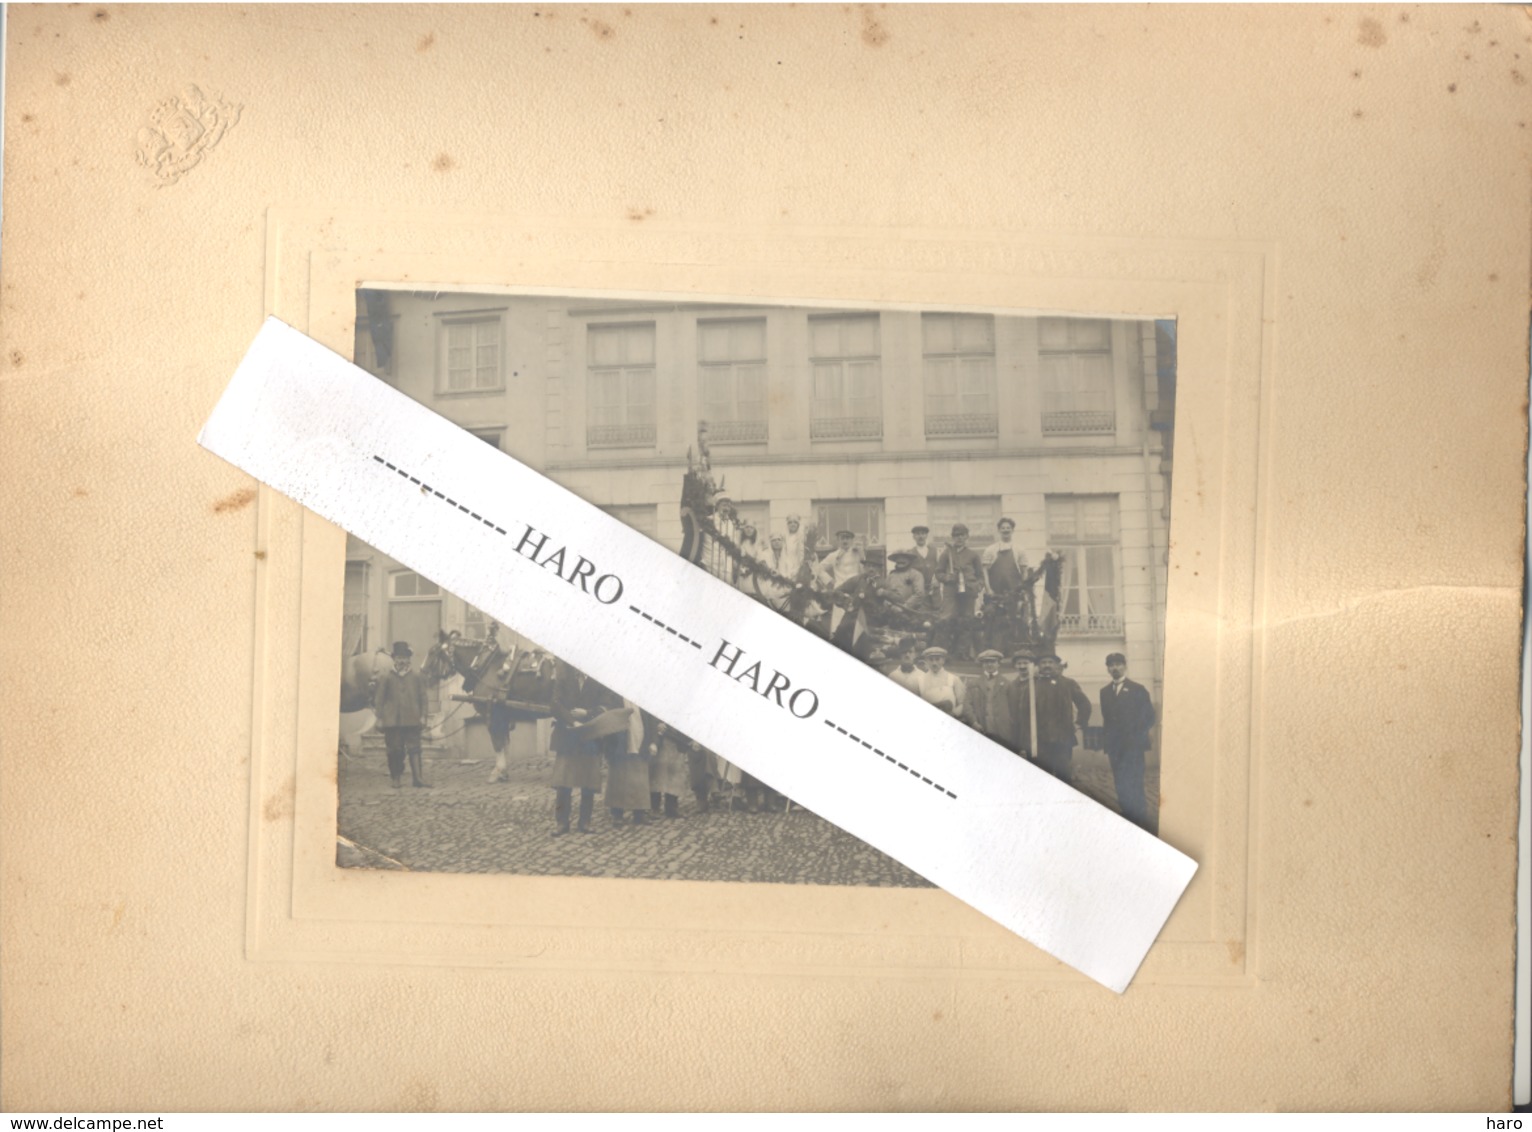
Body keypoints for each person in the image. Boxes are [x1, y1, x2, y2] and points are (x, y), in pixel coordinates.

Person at [548, 660, 619, 836]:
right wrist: (573, 721)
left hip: (590, 737)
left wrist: (587, 714)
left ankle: (585, 822)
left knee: (589, 782)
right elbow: (555, 704)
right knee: (563, 783)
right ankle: (561, 823)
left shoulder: (599, 679)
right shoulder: (564, 675)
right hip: (567, 735)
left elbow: (608, 706)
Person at [1099, 653, 1156, 831]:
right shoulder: (1104, 692)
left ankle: (1140, 816)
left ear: (1125, 666)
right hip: (1115, 746)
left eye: (1118, 664)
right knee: (1120, 780)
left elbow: (1149, 717)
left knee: (1134, 780)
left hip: (1133, 746)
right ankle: (1127, 813)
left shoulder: (1138, 689)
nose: (1115, 668)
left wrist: (1136, 735)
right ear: (1107, 669)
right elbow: (1107, 719)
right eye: (1111, 665)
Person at [374, 641, 430, 788]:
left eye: (405, 658)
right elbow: (379, 700)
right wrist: (379, 718)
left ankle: (418, 779)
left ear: (409, 659)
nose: (402, 661)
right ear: (394, 659)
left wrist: (424, 716)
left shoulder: (416, 676)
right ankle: (396, 778)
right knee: (394, 750)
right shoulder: (386, 677)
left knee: (415, 749)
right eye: (399, 658)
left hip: (412, 719)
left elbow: (423, 698)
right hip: (392, 721)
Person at [1031, 652, 1092, 785]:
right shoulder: (1033, 685)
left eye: (1050, 662)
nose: (1047, 665)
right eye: (1043, 662)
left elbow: (1084, 704)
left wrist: (1079, 723)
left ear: (1056, 665)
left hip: (1062, 739)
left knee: (1063, 776)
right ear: (1038, 666)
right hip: (1040, 739)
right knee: (1042, 777)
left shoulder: (1068, 683)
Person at [935, 523, 984, 660]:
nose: (959, 538)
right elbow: (938, 573)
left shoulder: (973, 555)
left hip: (968, 591)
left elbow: (981, 575)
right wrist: (947, 577)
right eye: (956, 535)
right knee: (946, 619)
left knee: (967, 620)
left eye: (962, 535)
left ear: (967, 536)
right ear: (953, 537)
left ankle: (963, 653)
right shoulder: (946, 554)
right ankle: (942, 652)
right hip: (951, 591)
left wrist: (978, 586)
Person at [980, 517, 1028, 655]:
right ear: (999, 530)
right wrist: (988, 589)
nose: (1006, 530)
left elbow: (1024, 572)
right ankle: (992, 653)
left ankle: (1012, 653)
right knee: (991, 622)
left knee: (1013, 623)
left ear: (1012, 530)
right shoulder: (991, 549)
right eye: (1003, 528)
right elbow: (985, 571)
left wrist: (1022, 591)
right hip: (994, 595)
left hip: (1013, 594)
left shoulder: (1020, 550)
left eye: (1008, 528)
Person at [605, 696, 652, 826]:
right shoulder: (614, 696)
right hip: (620, 743)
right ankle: (617, 814)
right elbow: (608, 719)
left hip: (640, 739)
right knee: (618, 778)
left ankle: (639, 813)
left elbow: (650, 720)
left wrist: (652, 741)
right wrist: (610, 747)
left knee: (639, 780)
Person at [645, 713, 689, 819]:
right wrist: (656, 726)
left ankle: (671, 807)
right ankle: (654, 807)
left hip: (677, 741)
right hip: (661, 741)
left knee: (675, 775)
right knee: (657, 774)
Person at [967, 649, 1014, 746]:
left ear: (998, 664)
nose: (989, 664)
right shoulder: (973, 683)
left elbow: (1013, 708)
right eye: (986, 662)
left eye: (992, 661)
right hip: (981, 729)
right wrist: (974, 722)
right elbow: (967, 705)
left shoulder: (1007, 684)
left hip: (1002, 731)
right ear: (982, 665)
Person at [916, 646, 965, 717]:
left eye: (937, 659)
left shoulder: (953, 679)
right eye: (931, 659)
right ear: (926, 661)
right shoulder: (920, 680)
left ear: (943, 660)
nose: (934, 663)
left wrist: (953, 714)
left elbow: (962, 703)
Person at [1006, 652, 1036, 759]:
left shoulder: (1038, 683)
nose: (1022, 666)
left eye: (1025, 663)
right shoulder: (1011, 685)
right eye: (1019, 663)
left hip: (1035, 728)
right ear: (1015, 666)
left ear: (1032, 665)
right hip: (1017, 728)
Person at [900, 525, 940, 597]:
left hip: (933, 591)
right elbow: (906, 573)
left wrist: (937, 579)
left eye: (923, 533)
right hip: (917, 592)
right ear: (914, 537)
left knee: (936, 607)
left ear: (926, 536)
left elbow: (940, 569)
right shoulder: (910, 553)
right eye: (918, 534)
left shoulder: (935, 551)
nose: (920, 536)